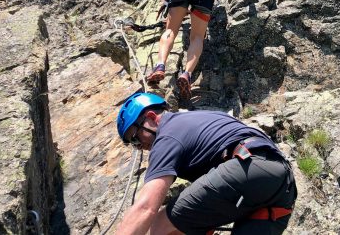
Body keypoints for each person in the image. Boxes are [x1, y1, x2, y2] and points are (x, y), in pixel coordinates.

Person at [115, 92, 296, 235]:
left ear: (152, 117)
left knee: (162, 225)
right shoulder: (200, 118)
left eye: (136, 138)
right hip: (282, 183)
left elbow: (146, 207)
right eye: (134, 145)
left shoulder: (167, 136)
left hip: (247, 165)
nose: (141, 147)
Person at [146, 0, 252, 100]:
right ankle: (187, 74)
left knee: (170, 30)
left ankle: (160, 65)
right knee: (197, 37)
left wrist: (170, 2)